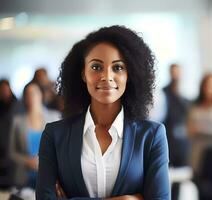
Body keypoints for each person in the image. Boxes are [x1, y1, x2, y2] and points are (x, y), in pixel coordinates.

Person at [36, 25, 170, 200]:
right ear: (83, 73)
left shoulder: (152, 136)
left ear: (130, 74)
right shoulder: (54, 135)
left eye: (118, 67)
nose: (107, 76)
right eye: (96, 67)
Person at [9, 82, 60, 188]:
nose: (31, 97)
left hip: (51, 177)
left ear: (41, 95)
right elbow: (12, 152)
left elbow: (62, 147)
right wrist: (27, 161)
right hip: (25, 177)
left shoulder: (55, 117)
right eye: (27, 94)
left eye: (34, 93)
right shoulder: (17, 121)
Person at [186, 73, 212, 200]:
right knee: (199, 192)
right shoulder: (194, 106)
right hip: (198, 156)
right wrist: (209, 129)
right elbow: (190, 130)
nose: (210, 89)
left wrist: (200, 128)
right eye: (207, 85)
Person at [162, 64, 190, 200]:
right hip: (166, 141)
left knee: (179, 180)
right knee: (163, 177)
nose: (176, 75)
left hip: (181, 144)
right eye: (174, 72)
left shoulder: (184, 98)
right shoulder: (163, 94)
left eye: (178, 72)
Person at [0, 79, 22, 188]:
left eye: (5, 89)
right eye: (1, 90)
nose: (3, 92)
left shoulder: (18, 105)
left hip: (14, 141)